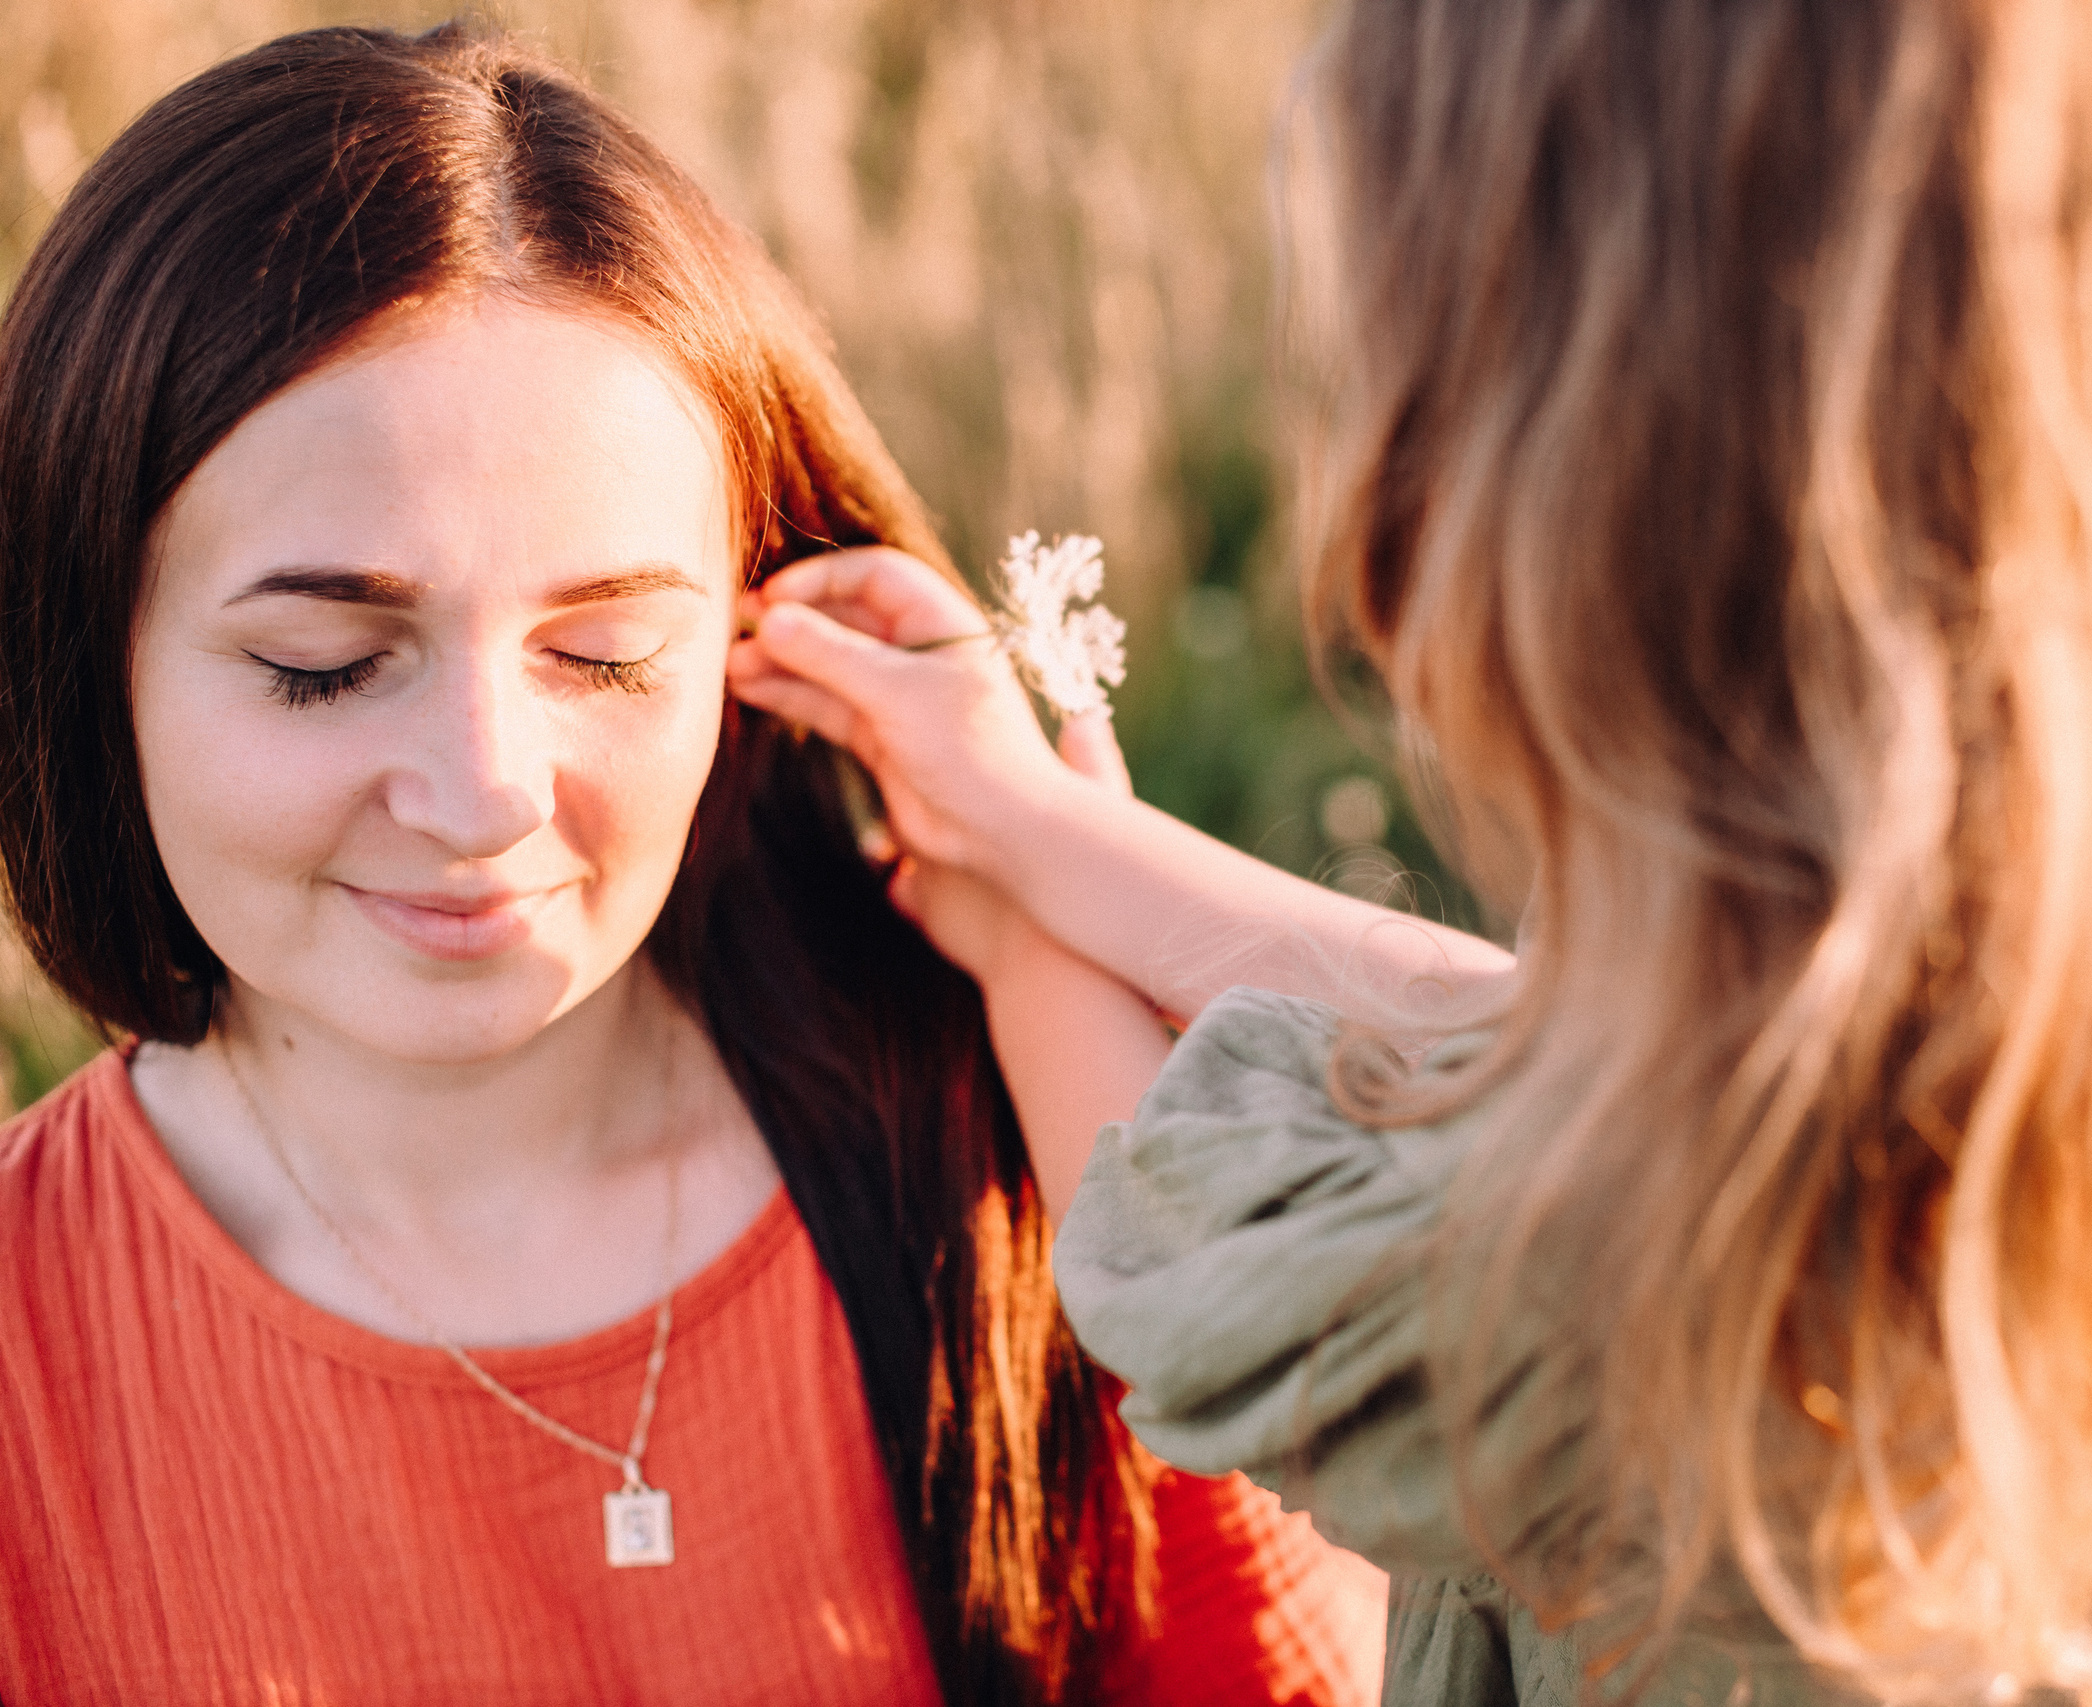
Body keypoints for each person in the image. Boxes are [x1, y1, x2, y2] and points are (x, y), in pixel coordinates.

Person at [725, 0, 2092, 1703]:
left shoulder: (1649, 1348)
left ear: (1566, 522)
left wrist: (1009, 913)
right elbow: (1531, 1050)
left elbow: (1200, 1250)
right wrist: (1045, 833)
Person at [0, 22, 1395, 1705]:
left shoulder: (1028, 1140)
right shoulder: (36, 1349)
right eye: (320, 663)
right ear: (89, 659)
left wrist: (1060, 868)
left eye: (600, 657)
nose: (485, 792)